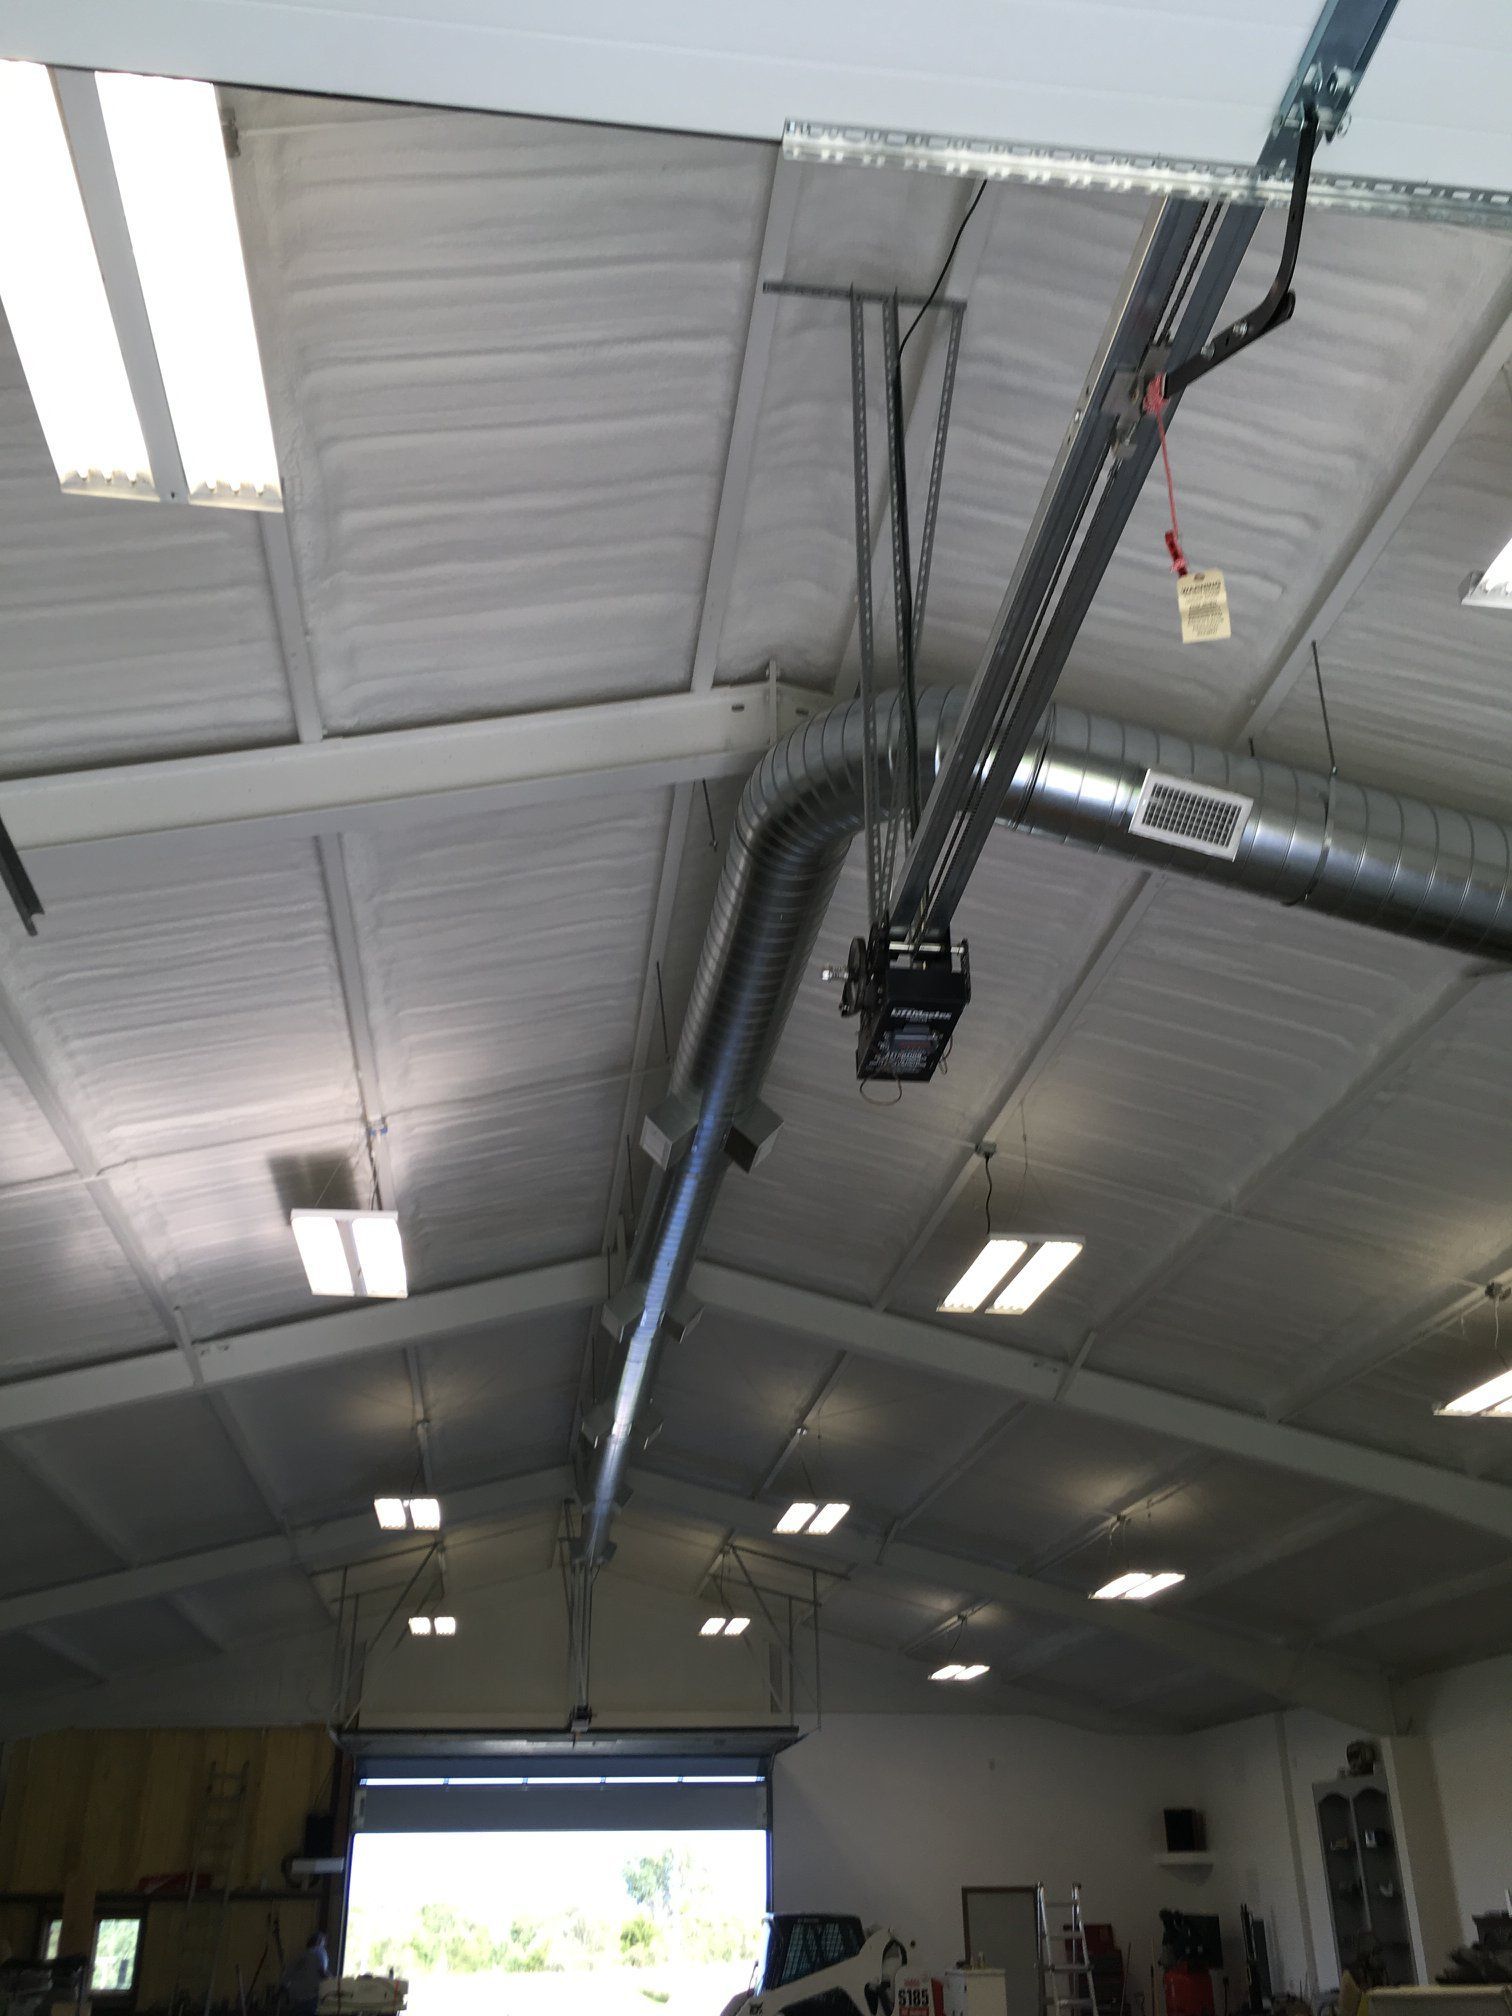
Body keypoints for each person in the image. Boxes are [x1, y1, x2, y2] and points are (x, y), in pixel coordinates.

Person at [280, 1930, 332, 2016]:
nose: (325, 1944)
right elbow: (322, 1972)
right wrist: (334, 1982)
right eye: (324, 1941)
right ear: (319, 1941)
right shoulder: (320, 1952)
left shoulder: (301, 1955)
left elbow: (286, 1976)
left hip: (296, 1998)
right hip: (311, 1998)